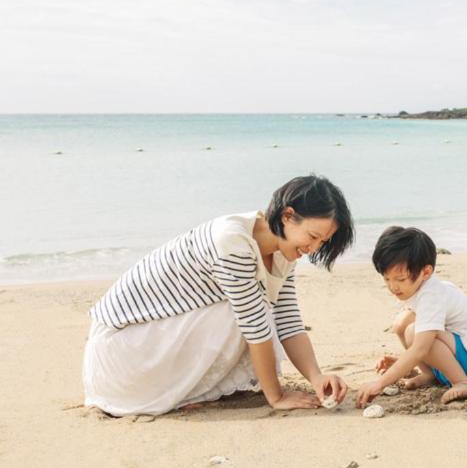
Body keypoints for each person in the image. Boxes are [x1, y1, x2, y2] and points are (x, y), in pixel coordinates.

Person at [82, 175, 354, 416]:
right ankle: (169, 393)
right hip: (123, 351)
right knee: (254, 311)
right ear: (287, 215)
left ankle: (187, 390)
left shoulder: (283, 251)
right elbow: (255, 328)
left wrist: (316, 377)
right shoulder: (232, 241)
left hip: (151, 343)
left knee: (260, 309)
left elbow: (288, 320)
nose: (314, 247)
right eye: (313, 236)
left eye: (322, 242)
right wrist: (277, 397)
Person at [357, 226, 467, 408]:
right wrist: (406, 362)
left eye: (400, 279)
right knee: (401, 324)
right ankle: (429, 373)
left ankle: (462, 382)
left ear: (426, 272)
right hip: (460, 354)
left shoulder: (432, 295)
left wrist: (381, 382)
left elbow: (421, 348)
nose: (393, 287)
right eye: (387, 279)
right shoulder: (420, 289)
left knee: (414, 331)